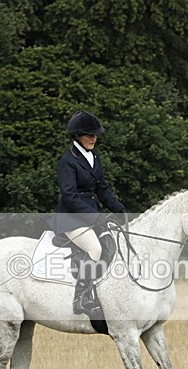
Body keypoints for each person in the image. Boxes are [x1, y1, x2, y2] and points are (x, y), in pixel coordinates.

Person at [49, 110, 127, 315]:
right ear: (77, 136)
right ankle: (81, 299)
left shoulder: (93, 158)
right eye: (88, 134)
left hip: (90, 215)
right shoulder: (68, 161)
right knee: (95, 249)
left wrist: (119, 208)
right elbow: (70, 196)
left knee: (112, 244)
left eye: (95, 135)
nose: (93, 138)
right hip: (71, 219)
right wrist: (98, 217)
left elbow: (102, 189)